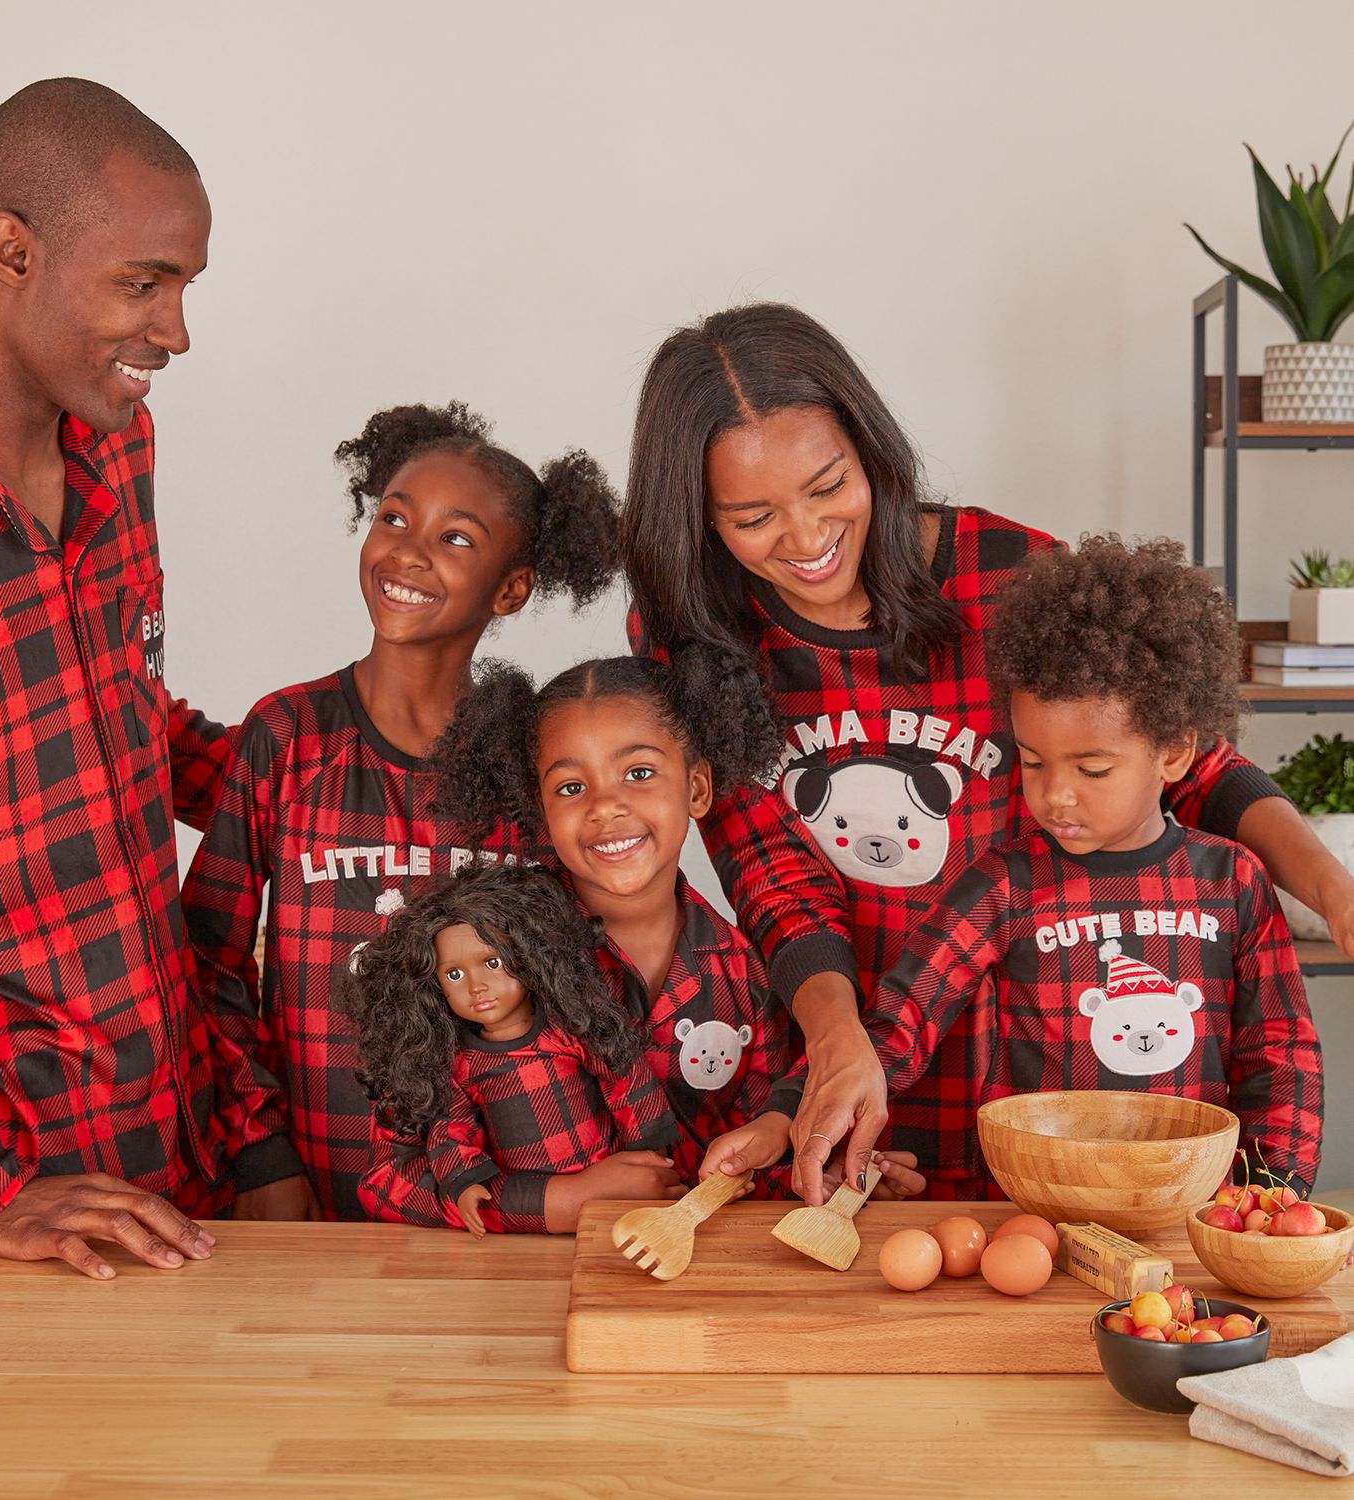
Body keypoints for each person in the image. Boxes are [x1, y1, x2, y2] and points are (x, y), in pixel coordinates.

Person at [620, 301, 1354, 1204]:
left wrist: (1330, 888)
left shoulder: (1009, 574)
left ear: (869, 449)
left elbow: (1183, 756)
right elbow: (769, 870)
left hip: (1046, 1048)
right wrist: (838, 1044)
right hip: (858, 1053)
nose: (807, 540)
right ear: (696, 517)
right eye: (752, 516)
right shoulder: (694, 634)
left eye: (827, 486)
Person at [0, 78, 295, 1288]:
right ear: (10, 251)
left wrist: (316, 760)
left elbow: (99, 712)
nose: (177, 332)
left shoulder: (113, 441)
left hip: (161, 1165)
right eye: (143, 283)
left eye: (185, 288)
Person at [182, 402, 631, 1222]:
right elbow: (210, 964)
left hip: (495, 1203)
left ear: (511, 588)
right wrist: (260, 1155)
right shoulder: (285, 737)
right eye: (394, 516)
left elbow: (585, 975)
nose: (409, 551)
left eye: (456, 538)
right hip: (310, 1185)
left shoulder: (534, 766)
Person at [864, 537, 1323, 1193]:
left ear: (1173, 752)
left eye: (1093, 768)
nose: (1055, 794)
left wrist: (1274, 1191)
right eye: (1033, 760)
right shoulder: (1004, 883)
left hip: (1182, 1203)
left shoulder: (1233, 882)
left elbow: (1279, 1055)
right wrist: (814, 1107)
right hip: (1033, 1199)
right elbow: (901, 1022)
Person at [430, 648, 925, 1215]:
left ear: (696, 790)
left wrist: (816, 1173)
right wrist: (554, 1203)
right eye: (571, 787)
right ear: (539, 808)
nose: (606, 806)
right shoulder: (486, 956)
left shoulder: (746, 975)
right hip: (511, 1284)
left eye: (638, 774)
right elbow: (393, 1172)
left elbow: (737, 1169)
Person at [343, 861, 680, 1236]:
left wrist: (649, 1147)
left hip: (611, 1190)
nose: (476, 986)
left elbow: (625, 1077)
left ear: (528, 957)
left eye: (492, 963)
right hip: (526, 1212)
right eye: (454, 974)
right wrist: (463, 1181)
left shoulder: (569, 1031)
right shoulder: (460, 1064)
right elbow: (450, 1126)